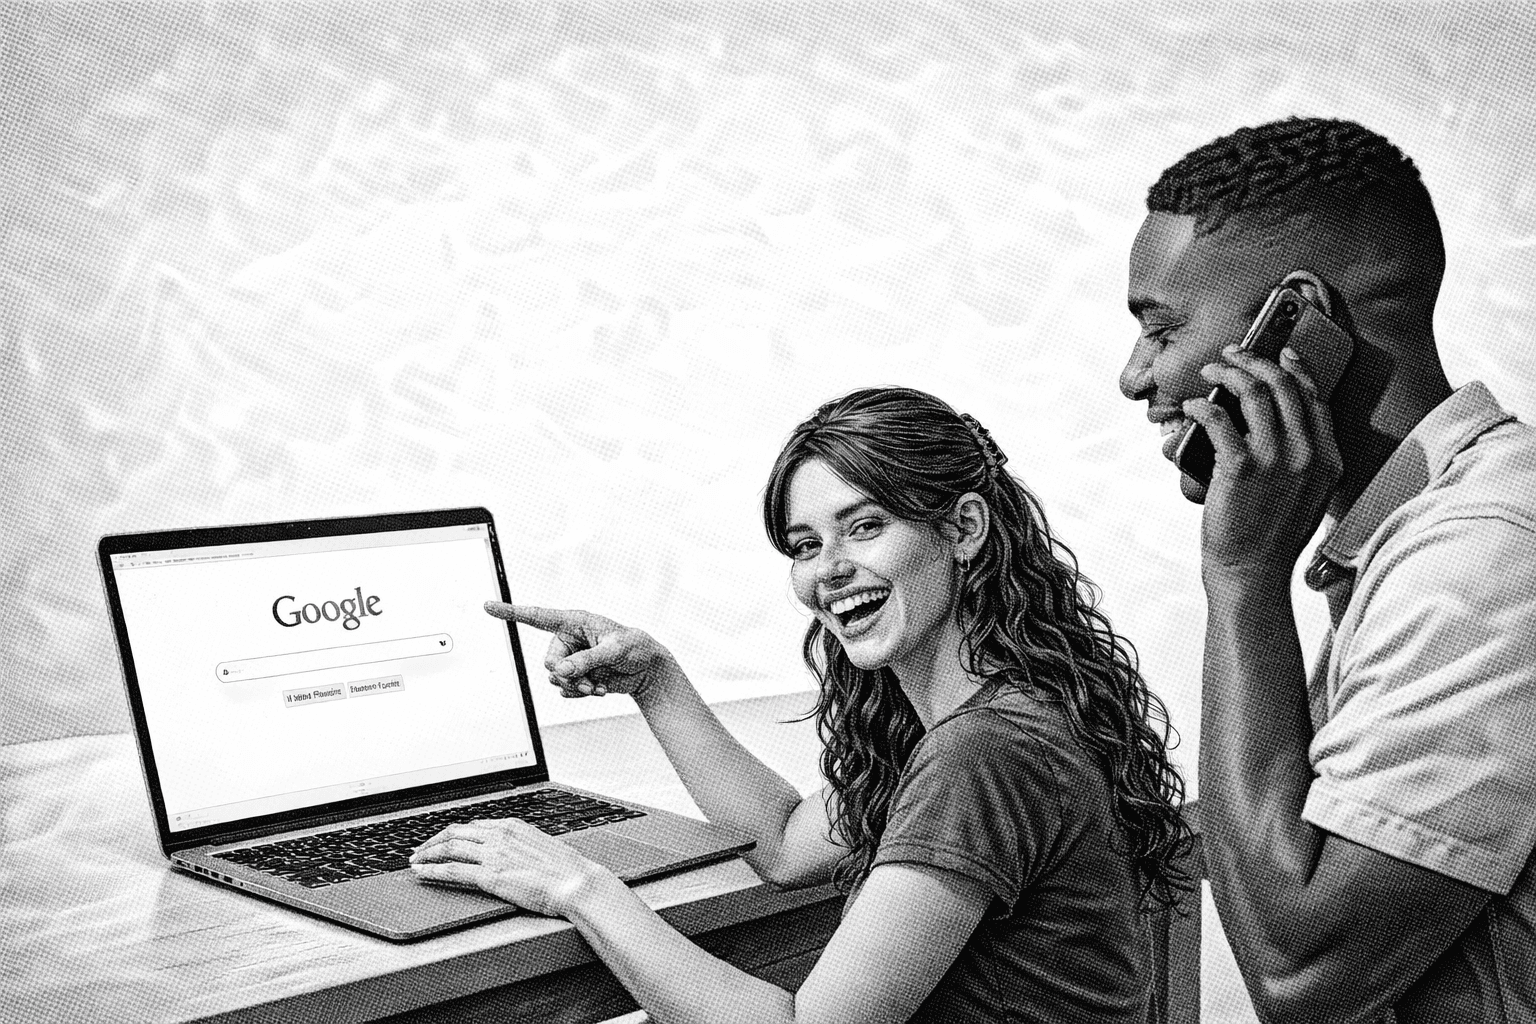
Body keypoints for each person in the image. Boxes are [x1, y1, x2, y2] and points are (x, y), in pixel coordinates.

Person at [411, 386, 1191, 1024]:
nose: (831, 570)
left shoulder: (983, 753)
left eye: (865, 527)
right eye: (806, 545)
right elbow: (785, 846)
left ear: (962, 529)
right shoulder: (1004, 713)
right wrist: (655, 679)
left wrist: (575, 885)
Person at [1120, 115, 1536, 1022]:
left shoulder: (1485, 555)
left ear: (1299, 319)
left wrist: (1241, 579)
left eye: (1160, 329)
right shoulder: (1429, 536)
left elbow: (1299, 974)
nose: (1134, 376)